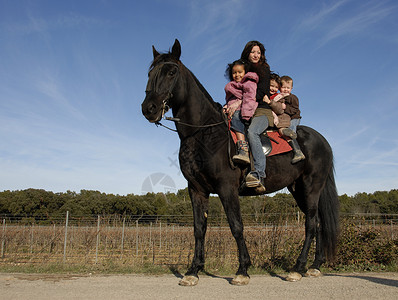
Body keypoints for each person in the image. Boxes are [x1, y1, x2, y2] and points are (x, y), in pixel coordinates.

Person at [240, 41, 273, 190]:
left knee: (252, 132)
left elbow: (262, 93)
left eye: (258, 52)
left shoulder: (264, 69)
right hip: (244, 108)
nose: (256, 55)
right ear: (247, 53)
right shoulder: (242, 69)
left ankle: (259, 173)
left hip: (262, 110)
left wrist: (243, 101)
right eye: (253, 52)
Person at [224, 59, 259, 165]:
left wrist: (241, 106)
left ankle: (243, 149)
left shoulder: (249, 83)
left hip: (245, 109)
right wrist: (226, 106)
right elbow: (231, 100)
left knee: (236, 118)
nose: (237, 75)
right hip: (234, 108)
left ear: (245, 73)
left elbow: (250, 97)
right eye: (234, 73)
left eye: (240, 72)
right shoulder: (233, 86)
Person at [279, 75, 305, 163]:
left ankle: (297, 151)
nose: (286, 90)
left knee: (290, 131)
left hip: (294, 117)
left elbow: (295, 109)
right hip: (286, 118)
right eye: (283, 87)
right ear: (280, 88)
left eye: (288, 88)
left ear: (291, 88)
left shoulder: (293, 98)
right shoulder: (279, 97)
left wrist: (284, 108)